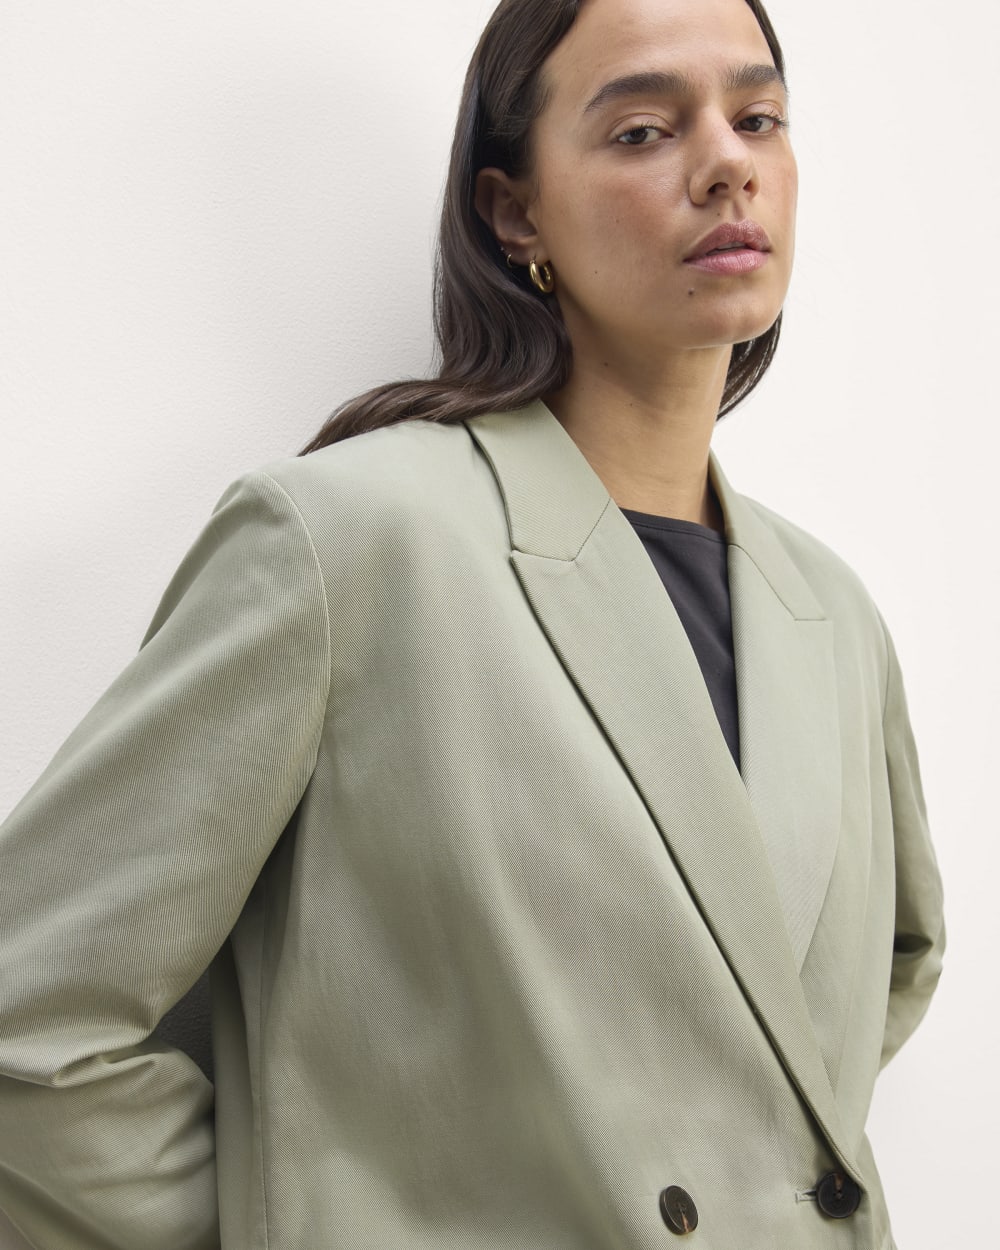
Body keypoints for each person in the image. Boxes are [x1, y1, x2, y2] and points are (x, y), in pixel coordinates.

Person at [0, 0, 944, 1246]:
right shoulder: (348, 540)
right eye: (645, 129)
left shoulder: (832, 613)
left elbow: (872, 979)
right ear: (515, 213)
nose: (727, 162)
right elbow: (29, 1023)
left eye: (758, 116)